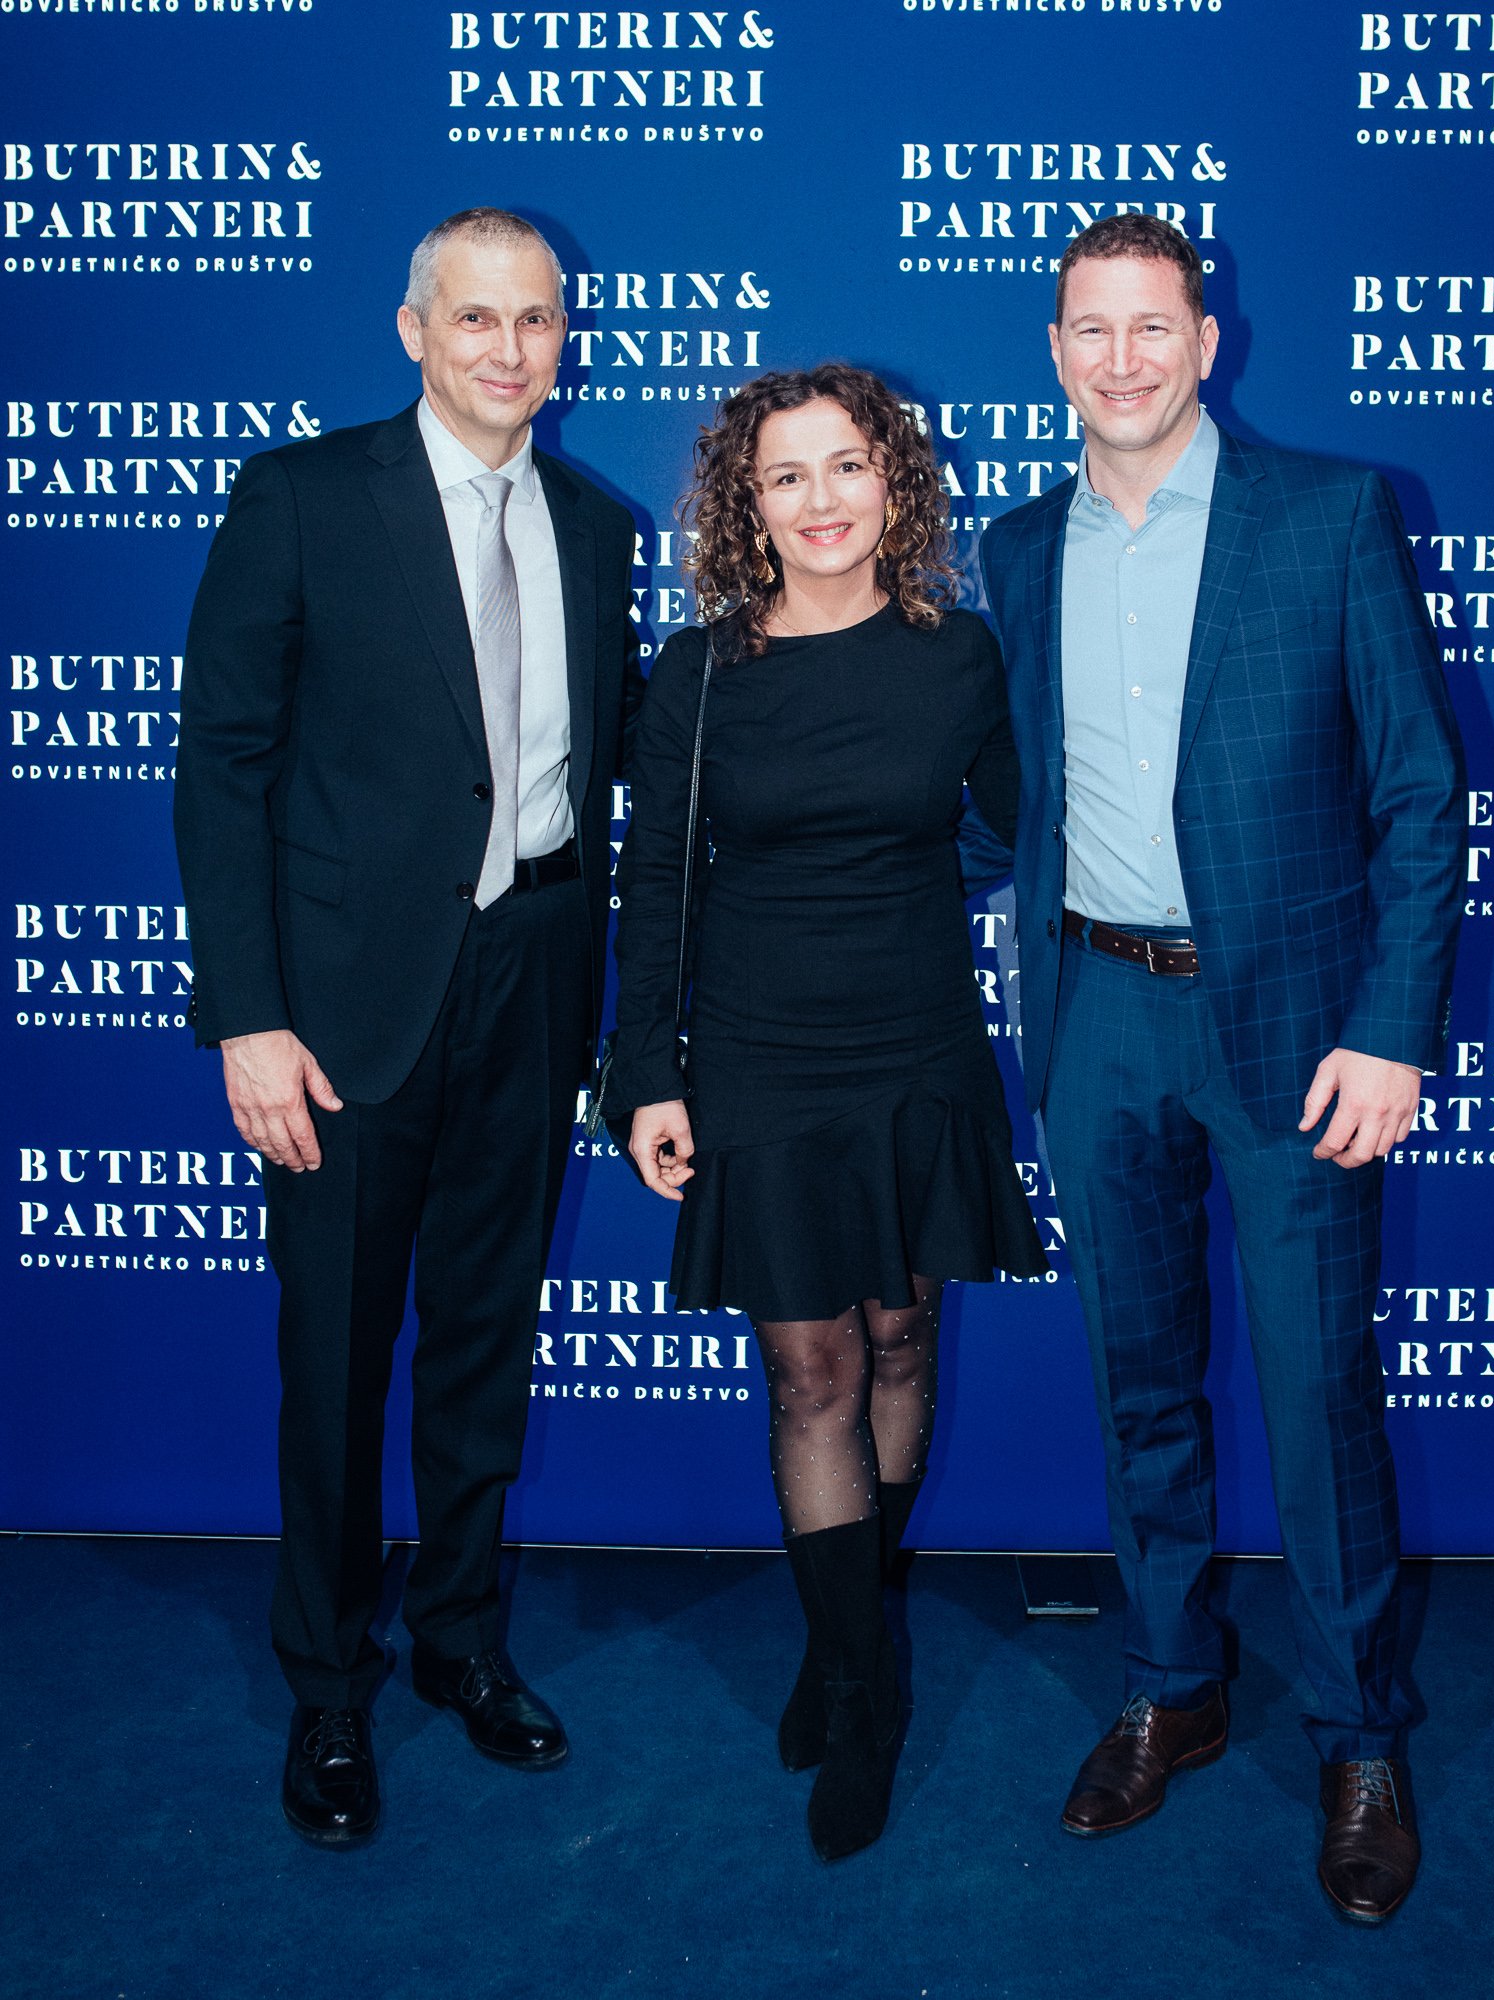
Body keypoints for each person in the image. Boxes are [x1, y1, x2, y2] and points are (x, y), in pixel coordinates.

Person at [980, 214, 1465, 1923]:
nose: (1121, 358)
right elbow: (995, 804)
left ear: (1208, 338)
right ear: (1056, 351)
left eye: (1151, 327)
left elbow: (1417, 794)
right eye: (1089, 331)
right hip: (1097, 1014)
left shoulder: (1327, 516)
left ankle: (1356, 1731)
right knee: (1139, 1377)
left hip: (1300, 1029)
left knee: (1321, 1391)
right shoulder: (1018, 548)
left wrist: (1394, 1024)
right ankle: (1174, 1682)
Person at [173, 207, 643, 1848]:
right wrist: (249, 1020)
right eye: (477, 318)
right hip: (344, 1014)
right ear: (411, 328)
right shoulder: (303, 498)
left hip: (530, 983)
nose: (510, 348)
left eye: (538, 320)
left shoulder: (595, 523)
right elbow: (223, 768)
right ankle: (327, 1687)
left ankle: (461, 1642)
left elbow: (611, 765)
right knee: (334, 1358)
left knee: (481, 1342)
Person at [608, 364, 1045, 1862]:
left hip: (915, 1042)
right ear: (747, 505)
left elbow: (1017, 827)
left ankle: (846, 1615)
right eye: (784, 477)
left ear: (894, 485)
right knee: (812, 1375)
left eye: (847, 467)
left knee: (904, 1334)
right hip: (759, 1054)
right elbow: (654, 885)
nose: (820, 502)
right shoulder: (701, 673)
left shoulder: (961, 656)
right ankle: (856, 1680)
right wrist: (645, 1071)